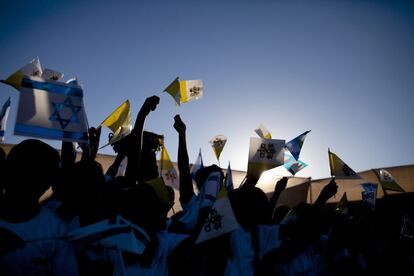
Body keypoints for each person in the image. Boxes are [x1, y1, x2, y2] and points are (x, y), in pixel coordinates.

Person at [0, 139, 79, 276]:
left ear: (47, 183)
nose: (25, 180)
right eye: (21, 168)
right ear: (7, 171)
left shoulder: (58, 232)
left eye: (36, 173)